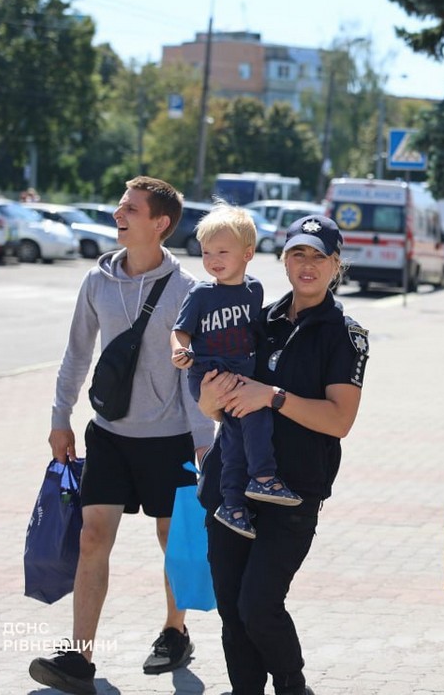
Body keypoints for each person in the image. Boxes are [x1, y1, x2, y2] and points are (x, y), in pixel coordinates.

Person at [29, 176, 216, 695]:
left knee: (170, 540)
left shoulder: (188, 292)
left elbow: (191, 374)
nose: (119, 213)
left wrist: (204, 440)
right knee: (93, 537)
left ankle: (175, 631)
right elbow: (76, 354)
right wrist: (59, 416)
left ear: (160, 224)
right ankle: (78, 659)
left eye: (131, 208)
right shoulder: (97, 282)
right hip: (109, 433)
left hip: (171, 438)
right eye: (120, 205)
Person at [197, 214, 368, 695]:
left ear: (337, 265)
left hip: (290, 492)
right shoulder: (256, 319)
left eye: (318, 256)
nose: (307, 265)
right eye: (298, 254)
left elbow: (340, 421)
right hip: (229, 485)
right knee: (231, 607)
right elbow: (213, 399)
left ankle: (292, 685)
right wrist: (210, 400)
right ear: (283, 259)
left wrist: (272, 396)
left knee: (259, 605)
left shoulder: (345, 334)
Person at [171, 204, 300, 541]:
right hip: (209, 375)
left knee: (236, 435)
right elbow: (180, 331)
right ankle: (261, 479)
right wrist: (178, 351)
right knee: (249, 422)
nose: (213, 259)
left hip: (241, 374)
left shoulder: (253, 290)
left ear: (248, 253)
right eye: (206, 252)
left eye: (222, 251)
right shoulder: (201, 294)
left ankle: (234, 505)